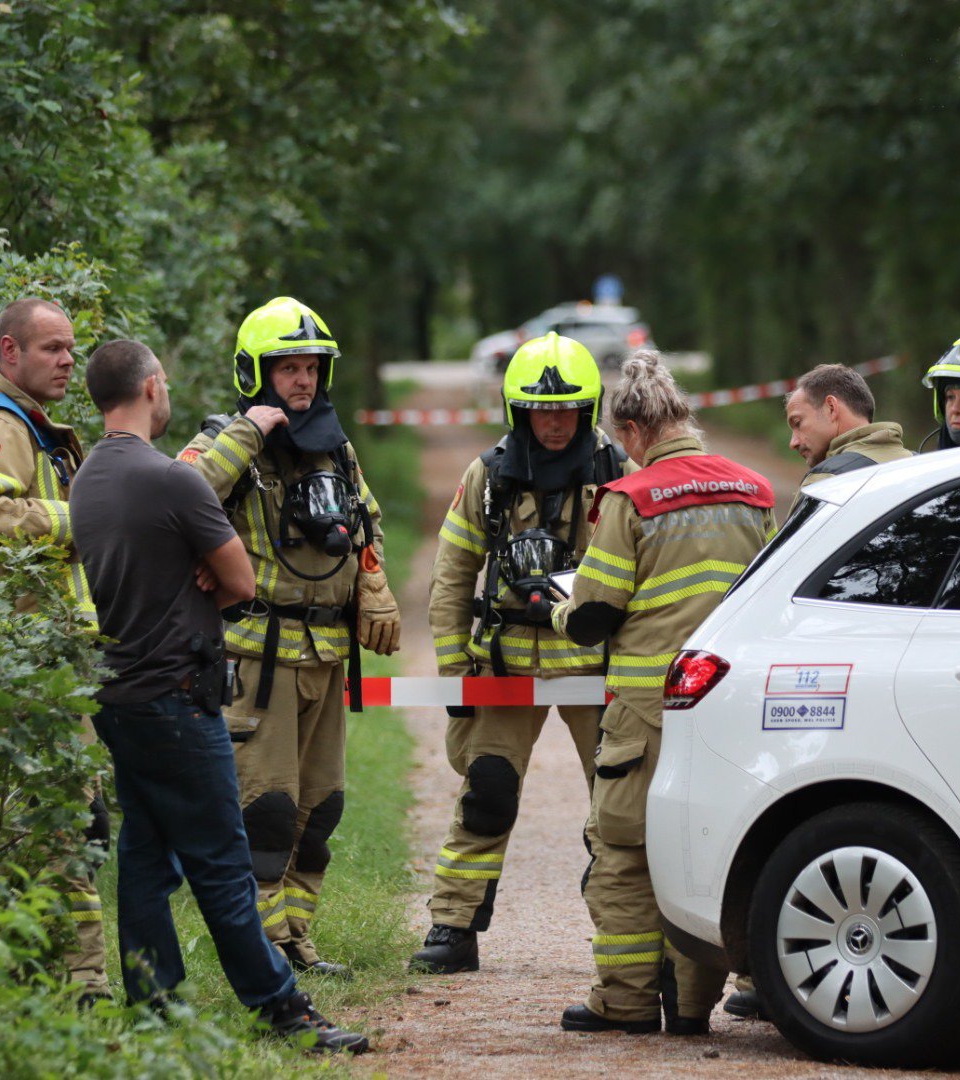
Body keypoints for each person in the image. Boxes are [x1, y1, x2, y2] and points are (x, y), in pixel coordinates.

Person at [70, 339, 367, 1053]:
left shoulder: (86, 478)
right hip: (178, 697)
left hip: (119, 696)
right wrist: (207, 564)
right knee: (224, 866)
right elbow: (241, 581)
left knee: (145, 859)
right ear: (150, 387)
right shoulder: (171, 479)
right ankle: (282, 1009)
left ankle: (154, 1006)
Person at [551, 351, 775, 1036]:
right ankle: (690, 1005)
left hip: (648, 712)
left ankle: (624, 1001)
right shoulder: (754, 492)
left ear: (634, 429)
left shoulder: (631, 498)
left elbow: (594, 614)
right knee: (706, 846)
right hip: (727, 708)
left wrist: (551, 609)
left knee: (622, 852)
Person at [179, 296, 401, 978]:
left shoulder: (336, 448)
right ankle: (265, 948)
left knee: (320, 808)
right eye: (288, 369)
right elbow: (179, 498)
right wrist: (249, 434)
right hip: (256, 658)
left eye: (311, 368)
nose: (303, 381)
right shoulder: (222, 442)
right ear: (256, 373)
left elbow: (366, 524)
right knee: (266, 810)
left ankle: (298, 939)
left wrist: (373, 581)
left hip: (327, 655)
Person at [410, 333, 632, 975]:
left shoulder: (618, 473)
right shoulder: (488, 476)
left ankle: (633, 938)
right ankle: (453, 927)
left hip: (594, 666)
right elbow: (453, 575)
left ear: (587, 409)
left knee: (619, 804)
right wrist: (456, 675)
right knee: (487, 791)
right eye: (541, 410)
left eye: (567, 409)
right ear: (518, 410)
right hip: (506, 664)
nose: (555, 422)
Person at [0, 297, 107, 1002]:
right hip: (16, 672)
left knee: (71, 825)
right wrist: (73, 518)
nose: (68, 361)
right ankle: (81, 986)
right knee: (61, 827)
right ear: (9, 352)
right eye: (51, 348)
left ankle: (36, 982)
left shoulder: (33, 426)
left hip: (48, 667)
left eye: (70, 348)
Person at [783, 363, 912, 513]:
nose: (793, 443)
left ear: (831, 408)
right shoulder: (921, 468)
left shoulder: (827, 481)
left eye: (798, 423)